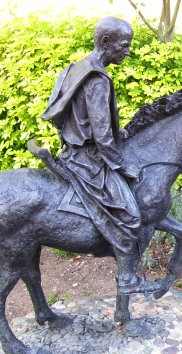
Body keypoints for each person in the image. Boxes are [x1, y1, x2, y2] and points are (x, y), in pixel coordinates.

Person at [41, 17, 160, 296]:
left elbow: (69, 117)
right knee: (131, 216)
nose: (128, 51)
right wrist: (121, 165)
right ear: (106, 43)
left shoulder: (74, 68)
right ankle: (128, 280)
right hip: (88, 160)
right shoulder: (97, 78)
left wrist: (121, 135)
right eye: (124, 45)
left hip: (70, 151)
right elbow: (102, 136)